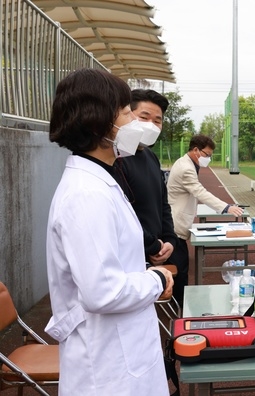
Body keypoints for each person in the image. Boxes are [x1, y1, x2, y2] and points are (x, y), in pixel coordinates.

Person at [45, 68, 174, 395]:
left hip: (124, 348)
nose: (136, 122)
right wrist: (157, 279)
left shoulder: (101, 180)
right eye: (128, 111)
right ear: (99, 120)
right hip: (107, 367)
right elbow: (103, 291)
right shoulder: (87, 194)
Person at [167, 134, 244, 304]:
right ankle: (181, 305)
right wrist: (226, 207)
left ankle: (180, 301)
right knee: (180, 268)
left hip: (177, 219)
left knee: (182, 265)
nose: (208, 158)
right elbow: (200, 191)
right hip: (175, 222)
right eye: (207, 155)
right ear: (195, 150)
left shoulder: (188, 163)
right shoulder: (186, 168)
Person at [114, 89, 177, 267]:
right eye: (144, 117)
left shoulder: (151, 157)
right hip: (131, 258)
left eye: (157, 121)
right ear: (128, 116)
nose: (151, 125)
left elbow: (163, 205)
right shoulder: (116, 159)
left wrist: (170, 240)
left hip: (158, 251)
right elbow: (122, 217)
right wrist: (152, 246)